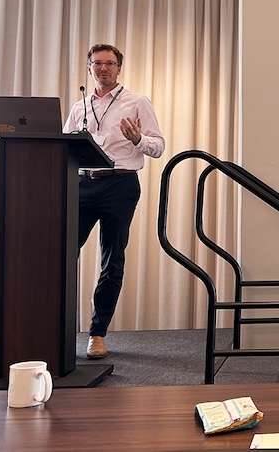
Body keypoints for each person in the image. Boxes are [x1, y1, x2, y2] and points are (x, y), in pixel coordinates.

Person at [63, 44, 165, 359]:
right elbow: (63, 147)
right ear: (89, 68)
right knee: (62, 254)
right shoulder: (79, 107)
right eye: (97, 63)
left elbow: (159, 147)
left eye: (109, 63)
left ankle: (97, 333)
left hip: (119, 184)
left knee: (112, 260)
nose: (103, 68)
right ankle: (56, 328)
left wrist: (138, 140)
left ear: (119, 68)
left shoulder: (137, 102)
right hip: (81, 184)